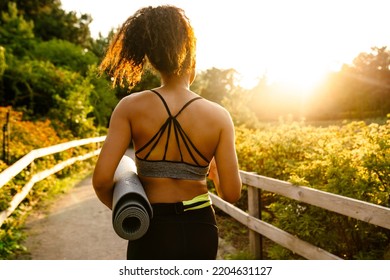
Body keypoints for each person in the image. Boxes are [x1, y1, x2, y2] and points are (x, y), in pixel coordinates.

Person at [92, 5, 242, 260]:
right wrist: (214, 173)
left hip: (150, 226)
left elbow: (102, 181)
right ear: (192, 59)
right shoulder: (219, 116)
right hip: (201, 227)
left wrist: (129, 210)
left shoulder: (129, 107)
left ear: (151, 61)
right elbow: (231, 193)